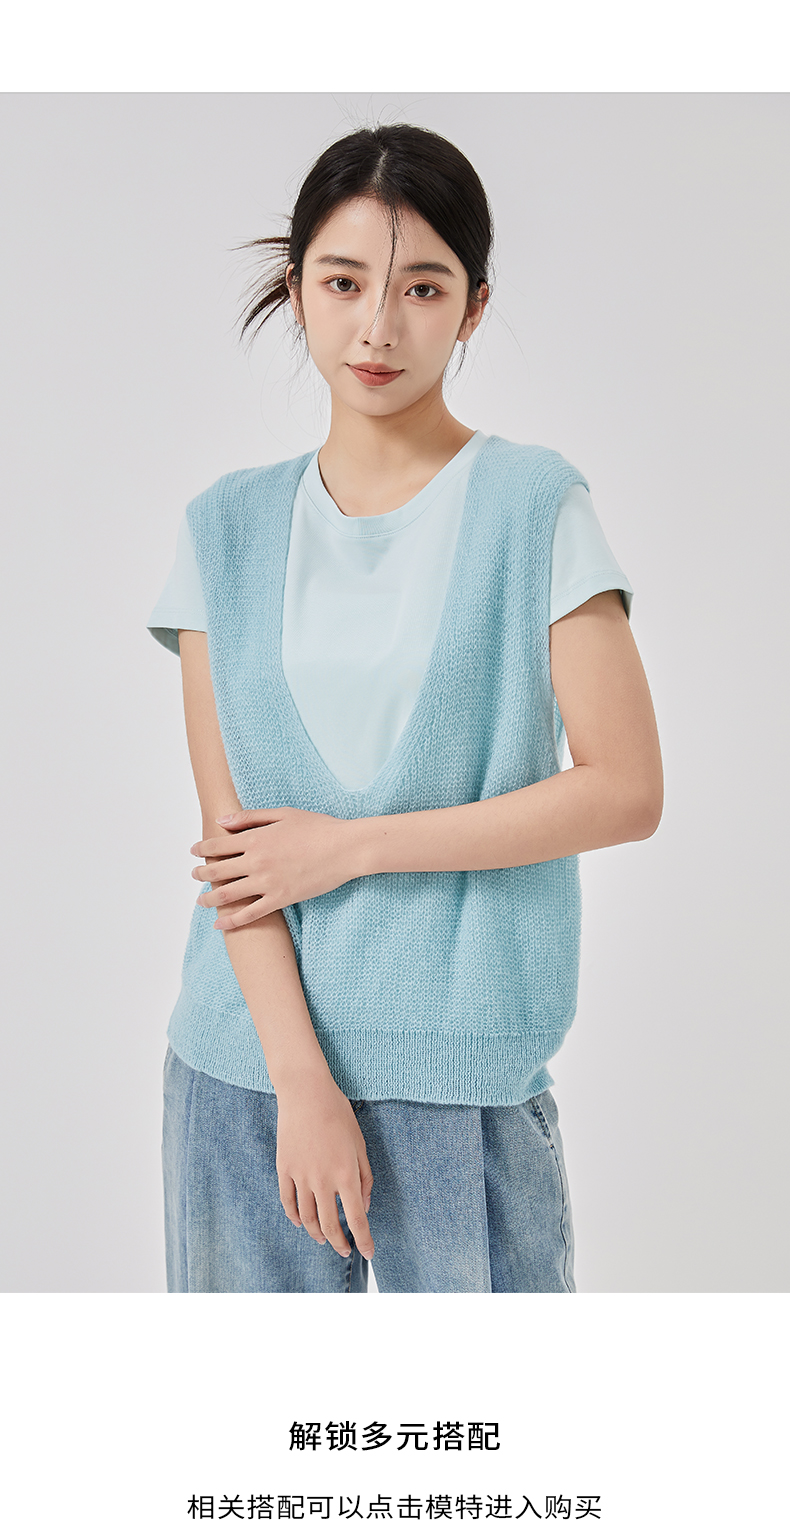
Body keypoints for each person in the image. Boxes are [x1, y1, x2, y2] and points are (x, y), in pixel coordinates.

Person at [147, 123, 663, 1294]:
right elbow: (235, 850)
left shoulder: (532, 507)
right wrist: (300, 1085)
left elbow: (626, 790)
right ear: (297, 290)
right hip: (243, 1076)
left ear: (474, 306)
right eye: (343, 284)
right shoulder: (222, 530)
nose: (378, 328)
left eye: (422, 288)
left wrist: (351, 847)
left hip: (461, 1081)